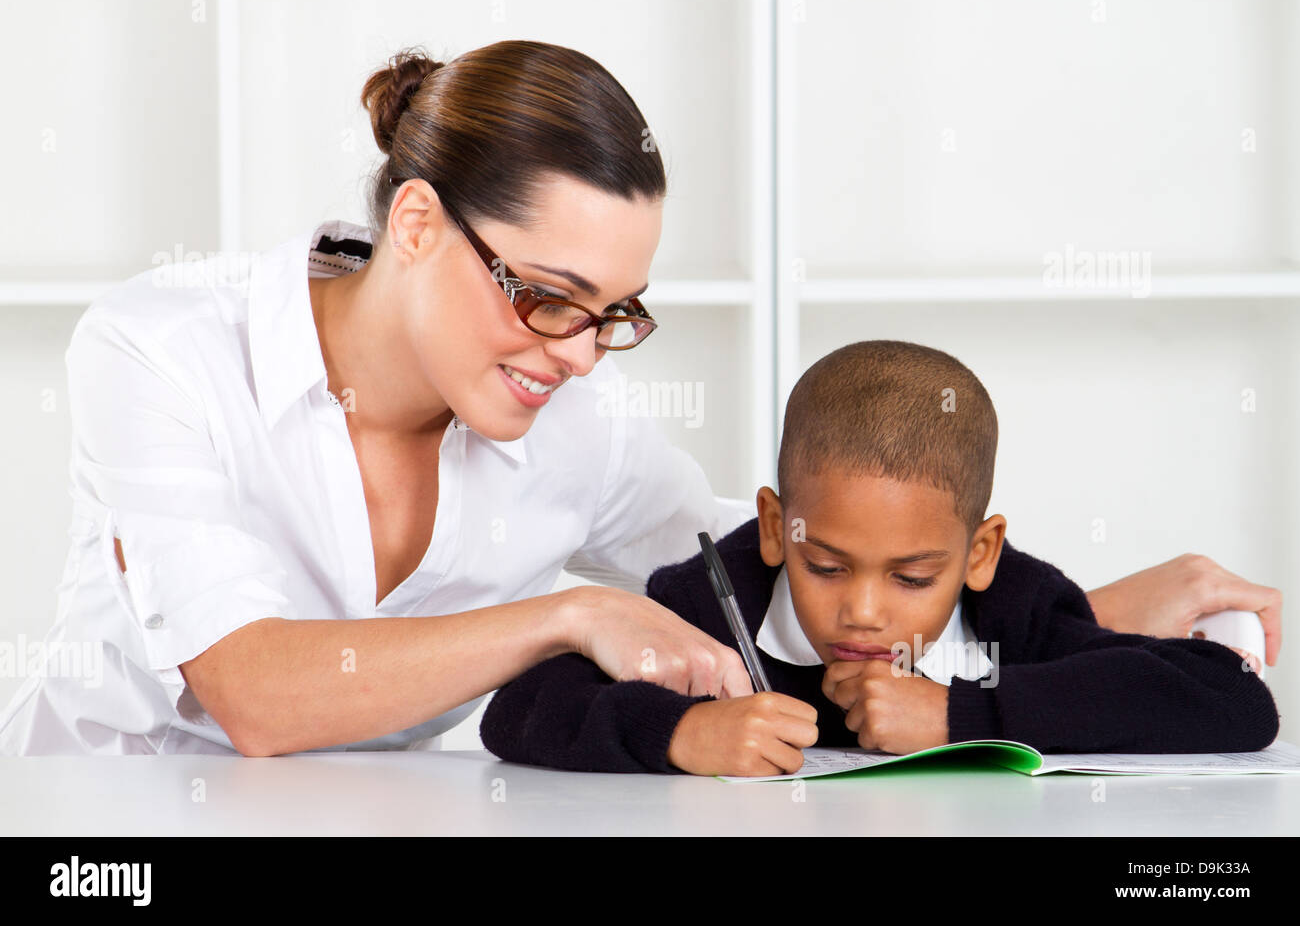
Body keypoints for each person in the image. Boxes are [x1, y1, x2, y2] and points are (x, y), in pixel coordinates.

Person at [0, 41, 1280, 757]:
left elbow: (785, 582)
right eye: (547, 294)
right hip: (103, 830)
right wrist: (563, 617)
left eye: (615, 311)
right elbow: (257, 692)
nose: (577, 352)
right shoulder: (162, 349)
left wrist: (1094, 606)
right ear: (416, 221)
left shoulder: (573, 420)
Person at [479, 341, 1280, 776]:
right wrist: (685, 732)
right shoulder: (718, 595)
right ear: (774, 528)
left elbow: (1237, 705)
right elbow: (519, 708)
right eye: (824, 567)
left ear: (979, 552)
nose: (863, 609)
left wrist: (958, 717)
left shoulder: (1015, 605)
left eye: (912, 577)